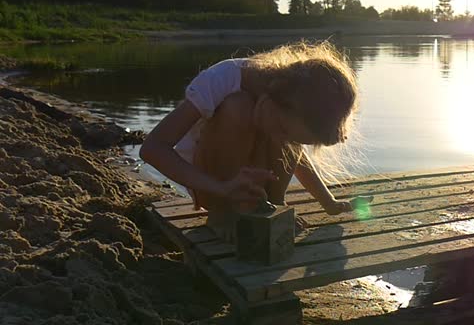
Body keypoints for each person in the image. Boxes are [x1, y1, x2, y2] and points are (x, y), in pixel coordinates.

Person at [140, 42, 370, 242]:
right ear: (279, 96)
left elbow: (296, 152)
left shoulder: (284, 105)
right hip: (211, 185)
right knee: (238, 107)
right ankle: (223, 212)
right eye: (283, 129)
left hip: (253, 187)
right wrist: (221, 189)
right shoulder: (223, 78)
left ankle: (274, 205)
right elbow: (152, 148)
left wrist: (329, 202)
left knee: (279, 133)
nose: (284, 143)